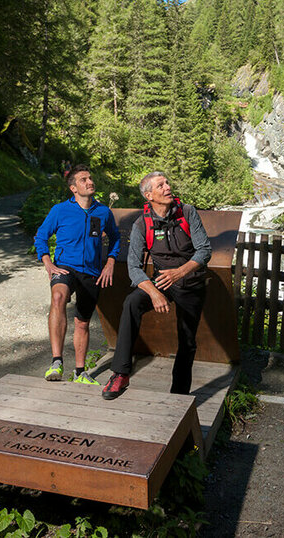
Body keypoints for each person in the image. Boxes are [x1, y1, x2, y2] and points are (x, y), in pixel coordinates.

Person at [101, 171, 211, 400]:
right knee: (132, 302)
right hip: (161, 282)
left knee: (187, 340)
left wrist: (180, 272)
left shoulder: (187, 212)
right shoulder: (142, 224)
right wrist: (154, 293)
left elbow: (204, 251)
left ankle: (178, 395)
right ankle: (120, 373)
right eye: (161, 185)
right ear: (149, 195)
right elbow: (133, 267)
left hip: (190, 282)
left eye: (167, 183)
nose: (168, 187)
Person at [34, 164, 120, 385]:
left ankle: (80, 372)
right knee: (58, 297)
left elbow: (115, 238)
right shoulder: (60, 210)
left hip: (91, 272)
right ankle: (56, 361)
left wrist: (110, 261)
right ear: (73, 188)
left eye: (90, 178)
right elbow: (41, 236)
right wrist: (48, 263)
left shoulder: (103, 212)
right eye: (84, 180)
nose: (90, 182)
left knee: (82, 322)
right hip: (65, 267)